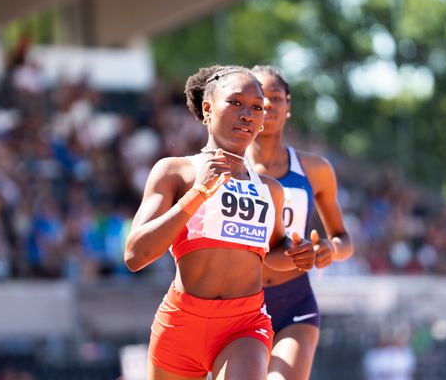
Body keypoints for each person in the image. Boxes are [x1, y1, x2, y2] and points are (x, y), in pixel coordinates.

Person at [124, 65, 316, 380]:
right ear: (208, 108)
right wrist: (197, 194)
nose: (248, 114)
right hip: (181, 324)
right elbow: (135, 255)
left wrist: (299, 255)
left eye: (258, 107)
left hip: (244, 325)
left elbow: (276, 252)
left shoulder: (271, 189)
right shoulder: (175, 171)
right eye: (236, 102)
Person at [246, 65, 354, 380]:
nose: (267, 105)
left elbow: (344, 239)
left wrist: (331, 250)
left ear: (288, 106)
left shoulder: (315, 170)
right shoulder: (228, 169)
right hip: (240, 303)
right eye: (259, 98)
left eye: (276, 97)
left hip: (295, 301)